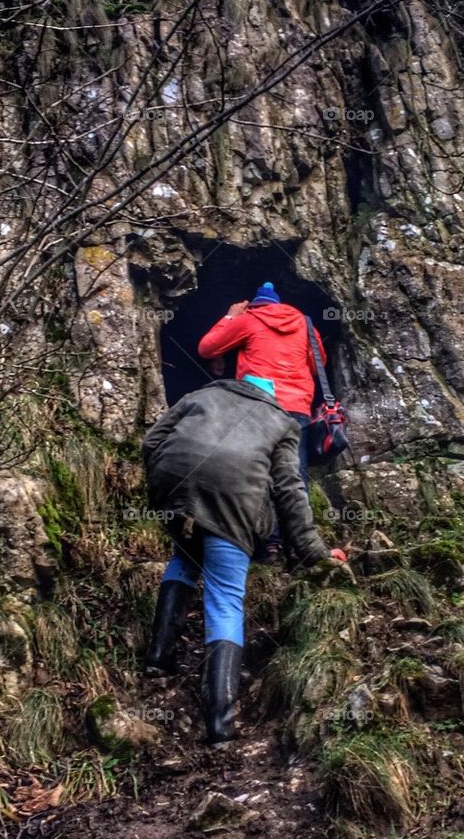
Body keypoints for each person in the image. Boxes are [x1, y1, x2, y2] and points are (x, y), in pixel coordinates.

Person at [141, 375, 347, 744]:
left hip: (175, 488)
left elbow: (151, 441)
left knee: (185, 555)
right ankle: (220, 723)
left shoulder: (200, 393)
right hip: (232, 503)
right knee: (224, 598)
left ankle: (158, 657)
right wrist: (314, 551)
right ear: (271, 396)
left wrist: (164, 487)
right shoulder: (282, 421)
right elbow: (289, 489)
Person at [197, 282, 326, 489]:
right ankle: (298, 520)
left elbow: (207, 348)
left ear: (255, 306)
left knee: (256, 474)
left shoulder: (249, 319)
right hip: (297, 407)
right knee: (294, 476)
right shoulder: (304, 323)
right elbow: (316, 365)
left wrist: (231, 316)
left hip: (260, 406)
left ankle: (259, 520)